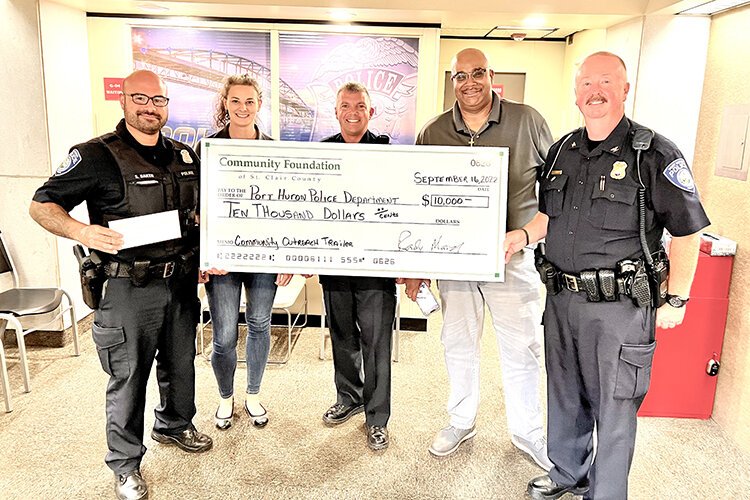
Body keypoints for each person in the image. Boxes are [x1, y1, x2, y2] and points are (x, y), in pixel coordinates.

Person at [526, 52, 710, 500]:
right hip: (562, 299)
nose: (595, 91)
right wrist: (519, 235)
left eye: (606, 82)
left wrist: (677, 298)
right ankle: (568, 474)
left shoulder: (655, 153)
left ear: (625, 90)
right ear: (576, 93)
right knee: (564, 393)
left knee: (615, 406)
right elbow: (548, 218)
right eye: (587, 83)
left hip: (620, 309)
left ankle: (606, 494)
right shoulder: (561, 151)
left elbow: (687, 233)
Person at [29, 70, 212, 500]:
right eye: (141, 99)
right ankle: (126, 463)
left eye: (159, 100)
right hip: (128, 286)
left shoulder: (185, 156)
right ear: (124, 102)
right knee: (128, 376)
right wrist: (82, 231)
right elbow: (42, 205)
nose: (150, 107)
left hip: (181, 281)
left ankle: (175, 424)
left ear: (168, 104)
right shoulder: (94, 155)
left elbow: (205, 211)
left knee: (181, 364)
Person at [403, 48, 554, 469]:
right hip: (455, 262)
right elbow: (416, 202)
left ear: (491, 75)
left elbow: (557, 188)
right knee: (458, 343)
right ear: (452, 81)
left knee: (522, 348)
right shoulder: (433, 131)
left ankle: (528, 433)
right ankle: (461, 420)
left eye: (477, 73)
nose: (469, 82)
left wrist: (526, 234)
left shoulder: (528, 121)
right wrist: (417, 264)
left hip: (512, 258)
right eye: (460, 76)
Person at [195, 75, 292, 431]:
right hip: (223, 258)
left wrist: (286, 256)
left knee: (260, 325)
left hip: (264, 255)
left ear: (259, 105)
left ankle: (253, 394)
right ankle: (225, 397)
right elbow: (197, 208)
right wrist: (203, 258)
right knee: (223, 334)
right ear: (225, 104)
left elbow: (284, 206)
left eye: (249, 101)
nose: (242, 108)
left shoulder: (273, 149)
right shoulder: (208, 150)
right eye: (235, 101)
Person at [319, 82, 397, 451]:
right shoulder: (322, 153)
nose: (353, 112)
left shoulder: (387, 153)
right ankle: (348, 397)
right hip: (334, 263)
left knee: (376, 342)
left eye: (360, 106)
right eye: (346, 105)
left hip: (376, 267)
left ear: (371, 112)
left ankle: (377, 416)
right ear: (336, 111)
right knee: (343, 336)